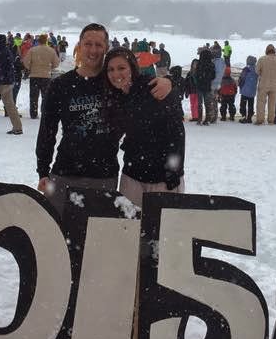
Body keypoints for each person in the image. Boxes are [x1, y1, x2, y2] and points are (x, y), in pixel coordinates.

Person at [35, 23, 172, 212]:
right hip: (64, 173)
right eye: (88, 44)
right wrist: (43, 170)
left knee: (98, 231)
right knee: (55, 228)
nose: (93, 50)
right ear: (79, 46)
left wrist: (170, 82)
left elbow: (144, 85)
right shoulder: (60, 85)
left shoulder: (116, 81)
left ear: (106, 48)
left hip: (104, 177)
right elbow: (47, 131)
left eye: (98, 45)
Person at [102, 47, 185, 206]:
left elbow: (176, 129)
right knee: (129, 221)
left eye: (121, 68)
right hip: (132, 175)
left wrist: (171, 81)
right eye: (110, 69)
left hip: (163, 178)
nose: (116, 74)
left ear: (132, 68)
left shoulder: (150, 86)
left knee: (163, 222)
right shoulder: (116, 96)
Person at [22, 33, 61, 119]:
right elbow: (56, 63)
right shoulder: (51, 50)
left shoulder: (33, 50)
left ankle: (33, 113)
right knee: (45, 96)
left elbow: (25, 61)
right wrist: (50, 67)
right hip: (46, 76)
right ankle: (44, 112)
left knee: (33, 96)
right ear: (46, 41)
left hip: (34, 75)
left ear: (39, 41)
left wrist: (30, 68)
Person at [254, 44, 276, 125]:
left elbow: (257, 71)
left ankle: (260, 120)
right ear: (274, 51)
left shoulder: (262, 59)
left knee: (261, 103)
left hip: (263, 83)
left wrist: (262, 73)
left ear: (266, 51)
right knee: (272, 104)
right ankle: (271, 120)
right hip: (275, 84)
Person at [195, 48, 217, 125]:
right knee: (207, 103)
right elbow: (213, 76)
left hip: (199, 86)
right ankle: (207, 119)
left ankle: (199, 119)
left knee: (199, 103)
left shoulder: (199, 64)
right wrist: (207, 78)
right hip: (207, 86)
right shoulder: (211, 65)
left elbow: (196, 75)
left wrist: (200, 79)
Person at [237, 55, 258, 123]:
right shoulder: (256, 70)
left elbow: (242, 78)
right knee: (251, 105)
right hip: (252, 91)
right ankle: (249, 117)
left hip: (245, 91)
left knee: (243, 104)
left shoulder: (246, 69)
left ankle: (243, 116)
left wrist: (240, 85)